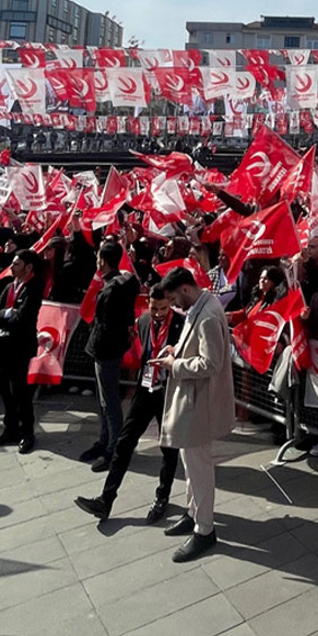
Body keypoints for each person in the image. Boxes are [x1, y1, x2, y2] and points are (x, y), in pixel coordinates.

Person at [73, 283, 185, 524]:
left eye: (163, 309)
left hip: (168, 391)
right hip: (145, 389)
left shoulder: (181, 324)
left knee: (168, 447)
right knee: (124, 443)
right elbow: (138, 349)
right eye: (154, 308)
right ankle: (106, 499)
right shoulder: (143, 321)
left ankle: (162, 497)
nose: (158, 314)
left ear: (170, 304)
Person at [152, 267, 236, 563]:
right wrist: (176, 350)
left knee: (198, 467)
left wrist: (174, 365)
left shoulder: (209, 316)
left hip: (200, 405)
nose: (175, 305)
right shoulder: (200, 306)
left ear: (185, 289)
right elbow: (194, 347)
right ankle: (192, 513)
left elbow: (210, 364)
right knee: (190, 463)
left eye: (175, 298)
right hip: (193, 402)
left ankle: (205, 529)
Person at [80, 240, 140, 472]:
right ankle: (105, 440)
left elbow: (104, 323)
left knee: (109, 402)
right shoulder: (126, 281)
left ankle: (114, 449)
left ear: (102, 261)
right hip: (110, 349)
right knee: (103, 400)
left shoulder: (111, 288)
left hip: (105, 351)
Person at [0, 249, 43, 455]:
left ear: (28, 267)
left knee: (21, 392)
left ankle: (27, 433)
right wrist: (7, 313)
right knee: (5, 390)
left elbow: (24, 318)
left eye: (17, 264)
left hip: (20, 347)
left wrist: (9, 316)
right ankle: (10, 429)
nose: (12, 267)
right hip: (1, 346)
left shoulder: (33, 288)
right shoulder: (8, 286)